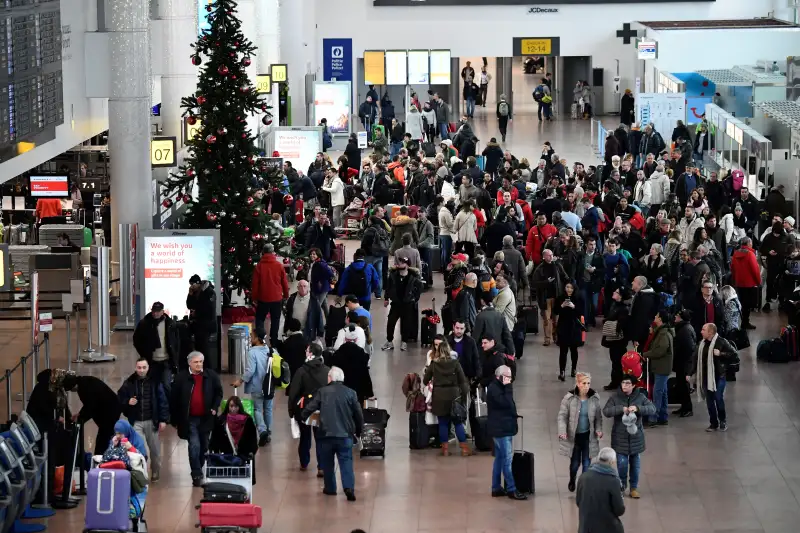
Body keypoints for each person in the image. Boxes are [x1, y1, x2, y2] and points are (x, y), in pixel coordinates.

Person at [300, 366, 364, 501]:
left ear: (329, 378)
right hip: (345, 435)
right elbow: (358, 415)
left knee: (327, 462)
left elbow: (310, 408)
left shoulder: (322, 392)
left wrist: (303, 416)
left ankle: (330, 488)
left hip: (325, 434)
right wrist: (358, 431)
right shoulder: (351, 393)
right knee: (346, 461)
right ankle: (348, 487)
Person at [170, 351, 223, 486]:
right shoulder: (181, 378)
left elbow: (218, 392)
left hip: (206, 418)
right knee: (194, 445)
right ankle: (196, 473)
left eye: (200, 362)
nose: (199, 364)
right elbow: (174, 399)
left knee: (204, 446)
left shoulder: (211, 376)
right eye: (196, 362)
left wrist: (214, 407)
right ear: (189, 363)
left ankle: (198, 466)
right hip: (189, 419)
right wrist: (175, 419)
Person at [602, 375, 656, 499]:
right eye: (623, 383)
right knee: (622, 464)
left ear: (633, 385)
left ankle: (634, 488)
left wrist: (637, 408)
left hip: (636, 438)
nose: (624, 386)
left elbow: (652, 409)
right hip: (620, 438)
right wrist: (621, 409)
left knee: (635, 465)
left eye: (627, 383)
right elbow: (606, 411)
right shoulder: (615, 398)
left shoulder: (640, 397)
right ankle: (621, 486)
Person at [116, 358, 169, 481]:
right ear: (135, 368)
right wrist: (127, 402)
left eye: (144, 367)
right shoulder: (129, 382)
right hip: (136, 421)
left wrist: (163, 420)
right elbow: (119, 398)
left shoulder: (155, 382)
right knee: (138, 449)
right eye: (139, 368)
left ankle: (155, 472)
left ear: (148, 368)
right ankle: (141, 473)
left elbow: (162, 401)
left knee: (155, 450)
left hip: (152, 421)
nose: (141, 370)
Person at [50, 370, 121, 456]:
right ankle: (105, 455)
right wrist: (80, 414)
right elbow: (89, 404)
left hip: (110, 411)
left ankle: (101, 458)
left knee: (104, 437)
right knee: (106, 435)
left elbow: (91, 406)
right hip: (111, 407)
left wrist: (80, 419)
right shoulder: (84, 382)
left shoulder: (84, 388)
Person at [423, 338, 472, 457]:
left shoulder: (434, 364)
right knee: (457, 422)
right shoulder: (455, 363)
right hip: (454, 396)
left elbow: (425, 380)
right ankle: (464, 449)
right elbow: (462, 381)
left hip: (439, 396)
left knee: (443, 423)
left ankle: (444, 449)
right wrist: (465, 396)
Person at [287, 343, 329, 476]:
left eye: (307, 350)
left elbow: (293, 393)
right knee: (320, 438)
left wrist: (291, 410)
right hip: (321, 408)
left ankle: (304, 463)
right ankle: (321, 466)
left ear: (310, 354)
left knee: (305, 437)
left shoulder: (301, 371)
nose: (305, 352)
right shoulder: (327, 370)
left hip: (304, 408)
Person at [558, 371, 603, 493]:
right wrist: (562, 431)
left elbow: (598, 417)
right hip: (574, 437)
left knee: (587, 465)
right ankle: (572, 479)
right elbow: (562, 416)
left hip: (588, 437)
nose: (587, 386)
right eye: (584, 383)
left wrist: (598, 430)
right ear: (578, 384)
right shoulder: (569, 399)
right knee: (575, 464)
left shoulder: (594, 398)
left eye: (588, 383)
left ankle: (583, 487)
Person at [487, 365, 526, 500]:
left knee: (500, 458)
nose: (510, 380)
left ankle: (496, 487)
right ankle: (511, 489)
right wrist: (508, 388)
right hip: (501, 430)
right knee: (507, 460)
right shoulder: (495, 389)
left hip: (502, 427)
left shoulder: (498, 387)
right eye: (507, 377)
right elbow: (506, 403)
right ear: (499, 376)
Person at [694, 323, 738, 432]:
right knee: (709, 401)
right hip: (706, 376)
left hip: (719, 376)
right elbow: (696, 359)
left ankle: (723, 420)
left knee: (718, 398)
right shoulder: (702, 344)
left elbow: (734, 354)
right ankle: (713, 423)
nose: (701, 331)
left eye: (703, 330)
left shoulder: (722, 342)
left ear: (710, 332)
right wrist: (690, 373)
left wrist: (721, 354)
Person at [231, 334, 272, 447]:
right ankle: (268, 432)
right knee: (268, 408)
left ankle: (262, 431)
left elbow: (250, 370)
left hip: (257, 385)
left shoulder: (252, 352)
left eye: (252, 337)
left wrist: (240, 380)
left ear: (257, 339)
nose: (250, 339)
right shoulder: (271, 350)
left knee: (257, 409)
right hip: (269, 386)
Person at [576, 447, 626, 533]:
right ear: (612, 462)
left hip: (586, 527)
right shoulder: (613, 481)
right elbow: (619, 510)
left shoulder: (583, 477)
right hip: (607, 527)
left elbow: (578, 502)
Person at [132, 301, 179, 391]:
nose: (155, 313)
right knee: (152, 385)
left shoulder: (170, 324)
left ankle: (167, 404)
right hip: (152, 361)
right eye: (154, 311)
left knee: (166, 384)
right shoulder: (145, 323)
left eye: (158, 311)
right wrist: (144, 353)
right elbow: (136, 340)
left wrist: (175, 356)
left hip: (166, 360)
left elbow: (176, 341)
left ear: (162, 311)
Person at [382, 256, 423, 351]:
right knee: (391, 321)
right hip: (395, 303)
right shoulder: (393, 275)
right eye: (399, 262)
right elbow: (388, 287)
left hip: (407, 304)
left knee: (406, 323)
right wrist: (386, 298)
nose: (400, 264)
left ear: (407, 265)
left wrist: (414, 298)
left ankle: (404, 342)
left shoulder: (413, 277)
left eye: (402, 262)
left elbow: (419, 288)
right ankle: (389, 341)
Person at [252, 244, 289, 346]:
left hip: (263, 298)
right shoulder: (279, 265)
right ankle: (274, 340)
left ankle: (260, 338)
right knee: (275, 319)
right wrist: (286, 295)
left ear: (263, 252)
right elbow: (284, 282)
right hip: (277, 297)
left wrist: (254, 297)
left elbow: (255, 284)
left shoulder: (259, 266)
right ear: (273, 252)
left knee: (260, 318)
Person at [642, 310, 674, 428]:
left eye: (656, 316)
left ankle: (653, 418)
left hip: (661, 367)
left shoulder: (663, 334)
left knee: (657, 393)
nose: (654, 317)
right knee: (663, 392)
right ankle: (662, 416)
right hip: (661, 366)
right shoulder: (661, 332)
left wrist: (645, 355)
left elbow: (660, 350)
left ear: (660, 319)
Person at [531, 249, 568, 346]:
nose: (551, 257)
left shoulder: (557, 266)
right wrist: (546, 282)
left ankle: (555, 336)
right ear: (544, 257)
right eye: (548, 255)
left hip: (556, 296)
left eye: (551, 255)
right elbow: (534, 284)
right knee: (547, 320)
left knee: (556, 318)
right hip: (545, 298)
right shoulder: (539, 269)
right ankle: (547, 339)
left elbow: (565, 277)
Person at [209, 395, 258, 460]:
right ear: (228, 407)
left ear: (239, 407)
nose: (233, 409)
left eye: (236, 406)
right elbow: (215, 438)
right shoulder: (221, 421)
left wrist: (251, 451)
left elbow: (252, 438)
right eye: (231, 406)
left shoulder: (248, 421)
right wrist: (214, 451)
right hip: (226, 458)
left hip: (244, 457)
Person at [553, 282, 585, 381]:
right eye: (567, 287)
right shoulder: (560, 298)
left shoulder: (578, 298)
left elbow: (582, 312)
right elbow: (555, 311)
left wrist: (574, 307)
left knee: (574, 349)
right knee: (563, 350)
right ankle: (562, 371)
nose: (569, 289)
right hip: (563, 326)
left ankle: (573, 369)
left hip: (574, 326)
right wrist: (561, 306)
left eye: (571, 287)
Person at [186, 274, 217, 367]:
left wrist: (197, 313)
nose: (191, 287)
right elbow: (189, 305)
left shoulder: (209, 292)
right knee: (198, 348)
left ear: (198, 283)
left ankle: (208, 369)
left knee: (204, 348)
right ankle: (200, 367)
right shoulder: (194, 292)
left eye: (193, 284)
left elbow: (209, 309)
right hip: (197, 325)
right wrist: (190, 295)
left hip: (206, 325)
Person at [729, 237, 759, 330]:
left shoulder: (735, 253)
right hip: (749, 283)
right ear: (749, 243)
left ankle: (741, 321)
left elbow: (732, 268)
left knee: (742, 303)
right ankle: (745, 322)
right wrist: (758, 281)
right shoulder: (750, 254)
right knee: (748, 304)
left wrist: (734, 280)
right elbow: (755, 269)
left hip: (739, 282)